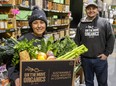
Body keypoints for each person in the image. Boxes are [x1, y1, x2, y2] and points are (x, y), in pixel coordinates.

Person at [74, 2, 115, 86]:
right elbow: (77, 40)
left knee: (102, 82)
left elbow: (111, 38)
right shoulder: (81, 23)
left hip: (100, 59)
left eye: (93, 8)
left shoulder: (104, 23)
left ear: (97, 10)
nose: (91, 11)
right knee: (88, 82)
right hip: (85, 60)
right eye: (89, 9)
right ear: (86, 10)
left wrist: (106, 53)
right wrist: (77, 54)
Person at [7, 6, 48, 86]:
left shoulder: (47, 40)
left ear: (46, 24)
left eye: (42, 22)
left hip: (42, 80)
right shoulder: (23, 41)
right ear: (31, 25)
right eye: (35, 23)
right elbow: (11, 65)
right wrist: (16, 78)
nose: (39, 26)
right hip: (26, 81)